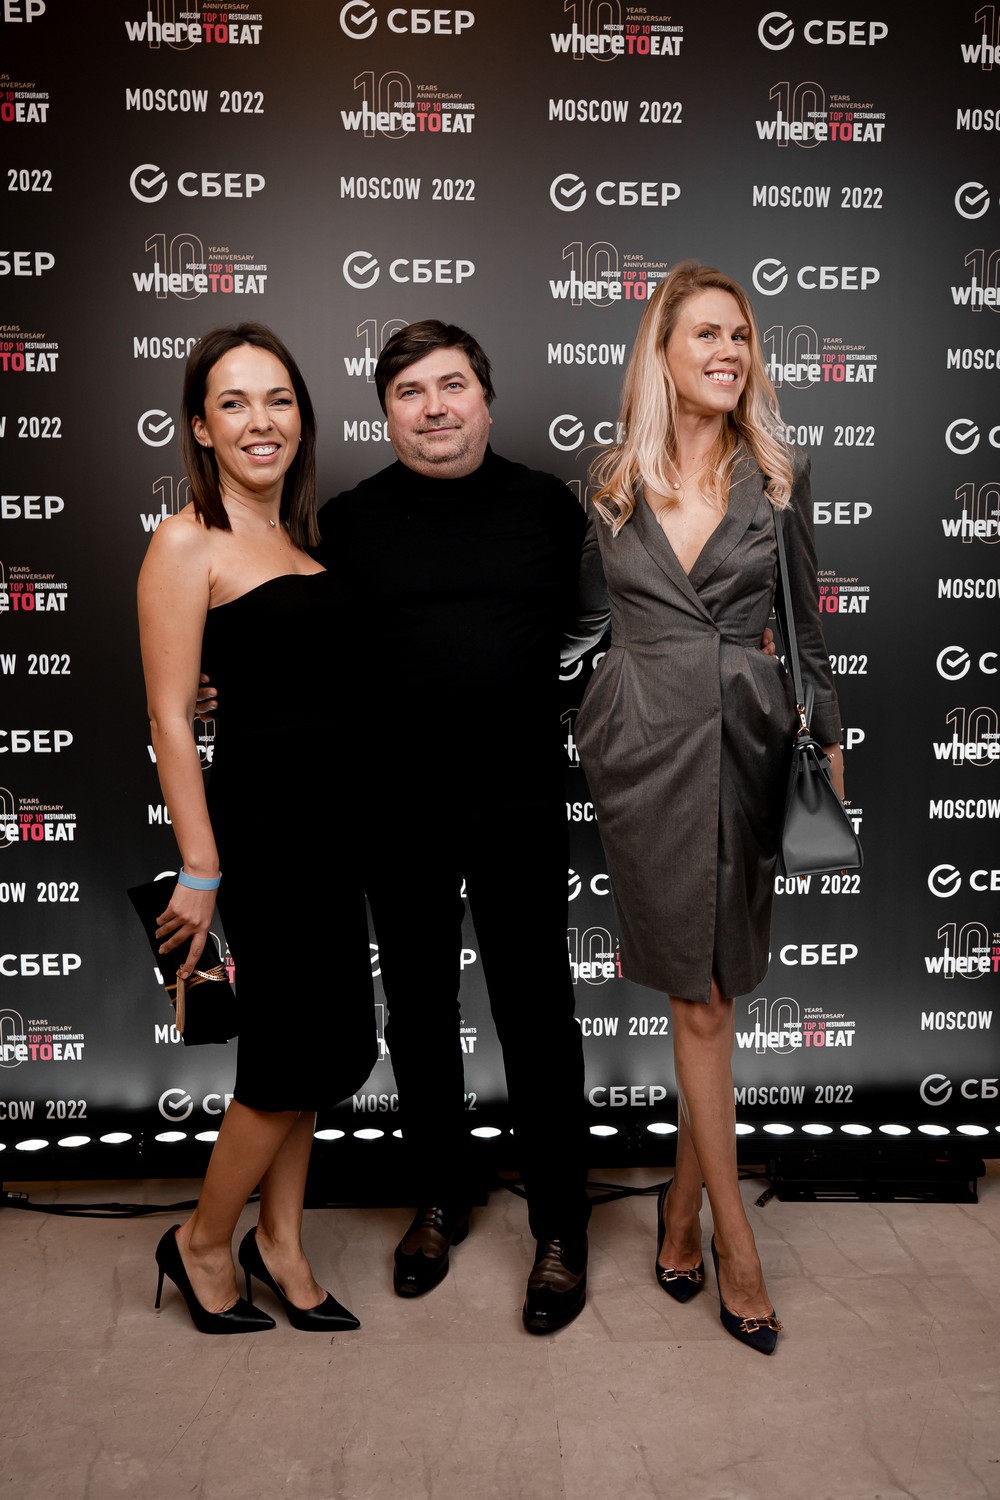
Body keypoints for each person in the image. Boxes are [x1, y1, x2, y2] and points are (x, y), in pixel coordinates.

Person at [575, 261, 844, 1355]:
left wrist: (828, 738)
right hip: (640, 749)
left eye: (741, 335)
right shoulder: (609, 484)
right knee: (701, 1002)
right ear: (662, 351)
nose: (730, 352)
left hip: (744, 742)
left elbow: (806, 624)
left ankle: (695, 1215)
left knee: (712, 996)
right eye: (707, 334)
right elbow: (569, 626)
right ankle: (728, 1236)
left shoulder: (777, 475)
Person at [323, 321, 607, 1334]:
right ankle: (441, 1196)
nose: (434, 407)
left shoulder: (546, 507)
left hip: (518, 800)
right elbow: (299, 647)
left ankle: (562, 1224)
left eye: (452, 386)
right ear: (385, 412)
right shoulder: (346, 520)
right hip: (395, 806)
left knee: (538, 1014)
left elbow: (597, 627)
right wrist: (210, 684)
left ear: (486, 400)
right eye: (410, 391)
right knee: (417, 1011)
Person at [137, 322, 377, 1334]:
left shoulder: (302, 539)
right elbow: (168, 717)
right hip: (264, 832)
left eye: (277, 399)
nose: (259, 420)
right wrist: (200, 866)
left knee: (327, 1047)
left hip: (333, 826)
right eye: (232, 402)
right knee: (288, 1054)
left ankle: (279, 1242)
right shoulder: (185, 539)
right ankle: (201, 1240)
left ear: (302, 418)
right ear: (201, 426)